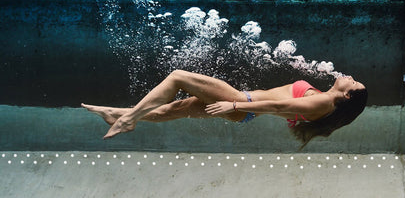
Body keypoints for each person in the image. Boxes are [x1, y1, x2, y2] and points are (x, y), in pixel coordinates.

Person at [82, 70, 368, 148]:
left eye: (352, 82)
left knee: (178, 76)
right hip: (242, 109)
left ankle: (127, 118)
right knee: (174, 110)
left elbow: (280, 104)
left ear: (346, 96)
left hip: (239, 103)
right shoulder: (323, 99)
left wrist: (234, 103)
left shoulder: (325, 101)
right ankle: (116, 114)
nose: (349, 77)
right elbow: (287, 111)